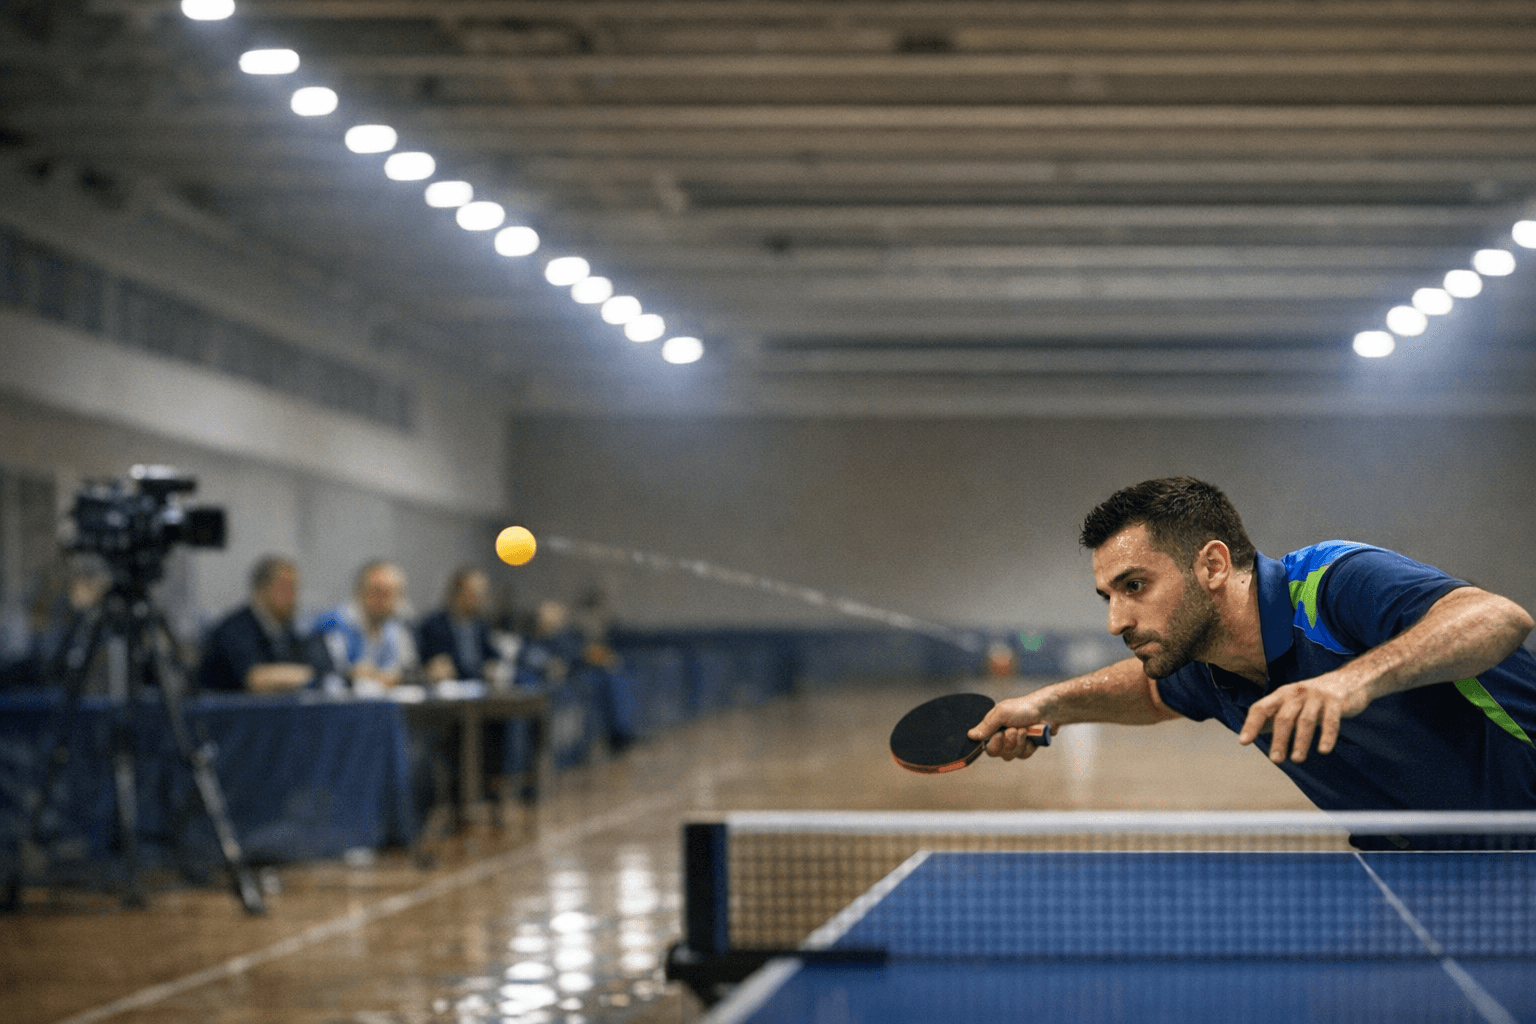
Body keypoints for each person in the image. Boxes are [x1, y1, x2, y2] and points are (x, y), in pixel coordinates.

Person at [971, 477, 1536, 816]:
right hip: (1424, 864)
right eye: (1108, 597)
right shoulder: (1209, 665)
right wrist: (1047, 705)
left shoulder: (1331, 585)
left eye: (1135, 586)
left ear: (1213, 565)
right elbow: (1150, 692)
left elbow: (1496, 617)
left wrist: (1351, 680)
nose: (1116, 621)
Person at [198, 555, 330, 693]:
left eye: (295, 589)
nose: (293, 597)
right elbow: (256, 678)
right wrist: (311, 675)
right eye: (285, 588)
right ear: (260, 588)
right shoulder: (235, 629)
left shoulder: (283, 630)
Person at [314, 560, 417, 690]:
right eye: (380, 592)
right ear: (361, 592)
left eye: (396, 593)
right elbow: (328, 677)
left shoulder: (394, 628)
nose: (391, 601)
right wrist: (353, 675)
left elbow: (406, 669)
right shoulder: (332, 624)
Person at [417, 566, 501, 684]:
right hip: (449, 688)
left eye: (484, 593)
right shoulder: (432, 626)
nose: (483, 599)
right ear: (458, 593)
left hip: (478, 687)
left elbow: (493, 657)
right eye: (476, 593)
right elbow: (423, 665)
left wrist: (494, 667)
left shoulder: (482, 627)